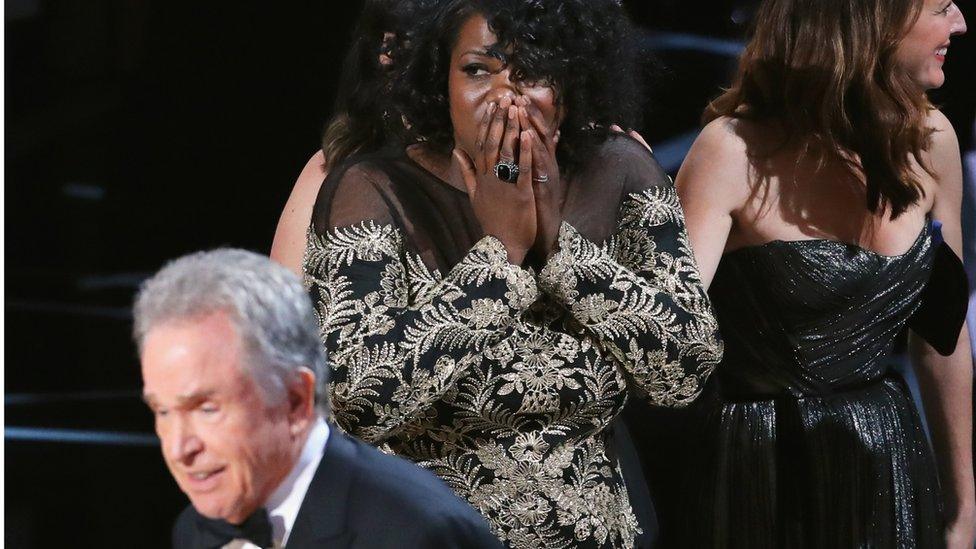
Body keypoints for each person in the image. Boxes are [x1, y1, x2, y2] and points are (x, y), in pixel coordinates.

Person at [301, 0, 723, 546]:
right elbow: (356, 398)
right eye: (479, 70)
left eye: (534, 73)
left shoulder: (619, 171)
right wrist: (498, 257)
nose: (506, 96)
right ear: (440, 80)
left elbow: (687, 371)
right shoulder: (375, 189)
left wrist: (566, 254)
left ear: (571, 85)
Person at [672, 0, 974, 546]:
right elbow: (665, 342)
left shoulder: (933, 140)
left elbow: (943, 338)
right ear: (871, 19)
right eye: (940, 7)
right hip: (764, 468)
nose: (960, 24)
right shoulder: (730, 151)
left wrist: (964, 507)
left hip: (889, 460)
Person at [134, 249, 502, 548]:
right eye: (163, 411)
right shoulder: (199, 528)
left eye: (207, 409)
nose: (180, 449)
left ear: (295, 401)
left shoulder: (415, 533)